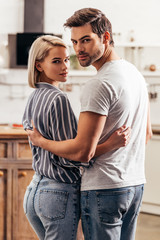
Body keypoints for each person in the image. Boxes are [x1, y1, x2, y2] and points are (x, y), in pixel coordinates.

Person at [27, 8, 152, 240]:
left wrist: (41, 141)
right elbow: (146, 134)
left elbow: (82, 152)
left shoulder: (99, 84)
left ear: (105, 37)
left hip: (103, 188)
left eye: (85, 40)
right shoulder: (135, 74)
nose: (78, 49)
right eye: (74, 42)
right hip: (134, 185)